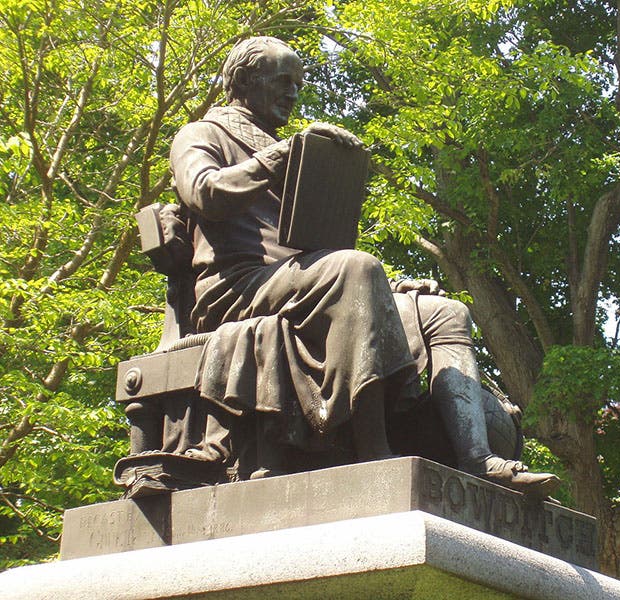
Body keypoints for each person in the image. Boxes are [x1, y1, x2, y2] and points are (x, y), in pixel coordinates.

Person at [169, 36, 559, 496]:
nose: (294, 93)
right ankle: (373, 447)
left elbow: (318, 249)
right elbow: (205, 194)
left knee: (444, 312)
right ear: (245, 80)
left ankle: (478, 459)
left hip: (304, 281)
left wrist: (383, 286)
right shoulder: (202, 134)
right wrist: (279, 157)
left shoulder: (289, 145)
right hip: (237, 289)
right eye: (283, 81)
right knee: (357, 270)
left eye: (298, 83)